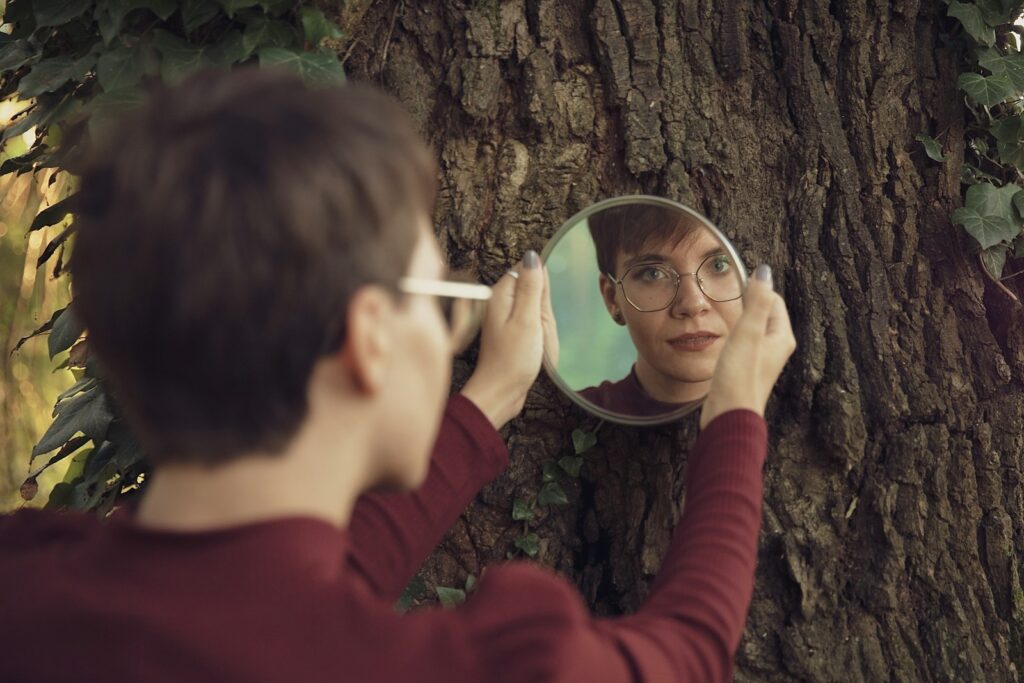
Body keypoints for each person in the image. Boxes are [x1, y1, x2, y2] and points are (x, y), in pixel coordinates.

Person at [0, 68, 796, 682]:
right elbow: (687, 654)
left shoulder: (26, 585)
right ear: (371, 336)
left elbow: (276, 603)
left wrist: (487, 400)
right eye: (443, 297)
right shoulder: (474, 663)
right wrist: (735, 416)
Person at [579, 204, 744, 416]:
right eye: (653, 273)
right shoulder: (569, 416)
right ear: (612, 298)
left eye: (719, 265)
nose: (693, 305)